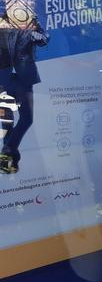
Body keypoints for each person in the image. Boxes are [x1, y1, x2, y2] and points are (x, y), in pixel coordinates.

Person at [0, 17, 48, 174]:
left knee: (27, 118)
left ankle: (8, 151)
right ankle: (8, 162)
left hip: (24, 78)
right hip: (3, 78)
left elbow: (44, 38)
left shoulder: (30, 19)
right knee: (7, 121)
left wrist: (40, 37)